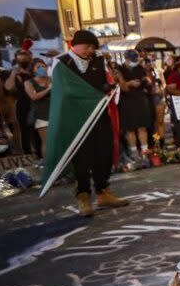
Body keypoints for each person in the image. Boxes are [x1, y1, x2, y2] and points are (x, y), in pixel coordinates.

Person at [49, 30, 129, 216]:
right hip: (76, 118)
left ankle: (103, 192)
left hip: (99, 114)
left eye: (93, 47)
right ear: (74, 45)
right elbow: (65, 90)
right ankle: (83, 196)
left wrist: (108, 86)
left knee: (103, 151)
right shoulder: (61, 63)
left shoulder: (98, 61)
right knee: (82, 157)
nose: (90, 50)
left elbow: (103, 82)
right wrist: (95, 90)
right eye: (87, 46)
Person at [117, 50, 152, 158]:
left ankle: (145, 150)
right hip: (127, 101)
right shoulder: (119, 69)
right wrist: (129, 83)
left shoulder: (140, 68)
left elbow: (148, 81)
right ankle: (134, 152)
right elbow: (122, 87)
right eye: (131, 59)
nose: (134, 61)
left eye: (135, 59)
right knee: (130, 128)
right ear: (126, 59)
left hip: (141, 99)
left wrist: (146, 80)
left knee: (142, 127)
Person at [23, 59, 52, 158]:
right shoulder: (29, 82)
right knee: (47, 142)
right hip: (41, 115)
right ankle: (47, 165)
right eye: (38, 67)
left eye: (43, 66)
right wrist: (48, 89)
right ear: (33, 70)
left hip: (55, 113)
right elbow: (34, 97)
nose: (41, 68)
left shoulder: (52, 79)